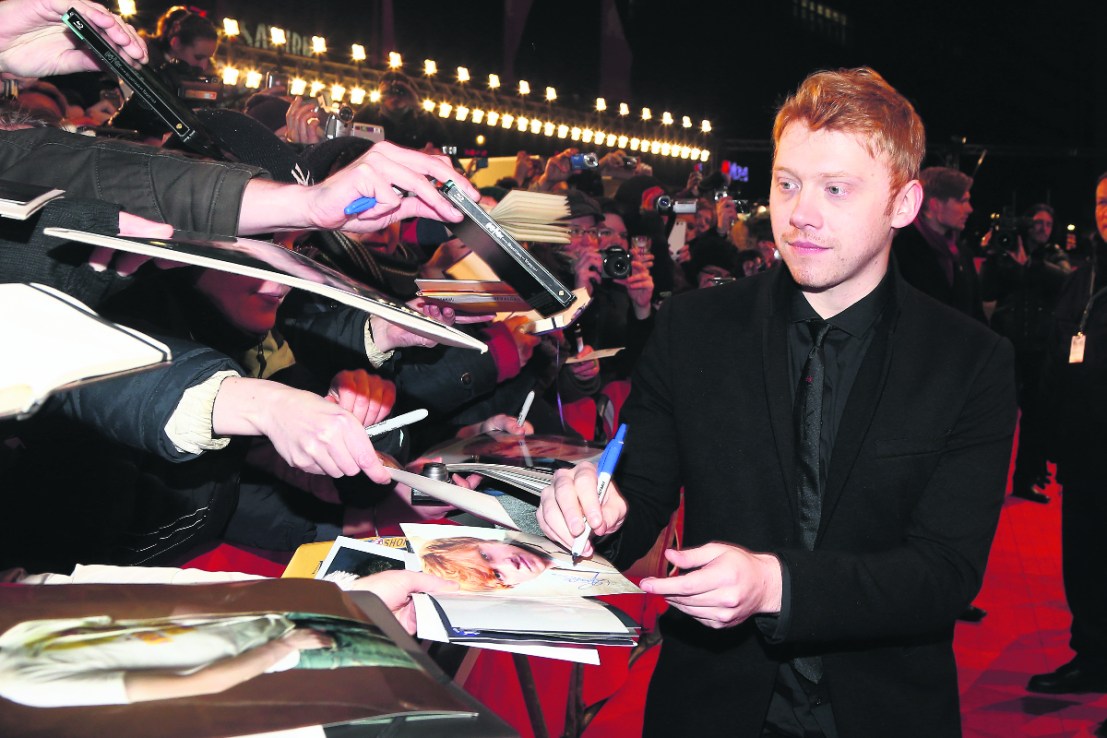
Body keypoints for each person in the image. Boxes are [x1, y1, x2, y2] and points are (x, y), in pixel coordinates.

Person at [538, 67, 1016, 737]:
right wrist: (598, 507)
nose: (801, 215)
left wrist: (774, 586)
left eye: (835, 190)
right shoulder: (694, 328)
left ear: (902, 205)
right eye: (787, 184)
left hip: (883, 709)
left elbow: (943, 573)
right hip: (708, 705)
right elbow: (640, 490)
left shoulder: (968, 361)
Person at [1027, 173, 1107, 696]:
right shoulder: (1086, 273)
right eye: (1102, 199)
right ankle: (1094, 658)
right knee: (1083, 561)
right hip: (1084, 451)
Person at [980, 203, 1073, 503]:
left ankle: (1025, 481)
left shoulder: (1054, 256)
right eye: (1037, 223)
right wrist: (996, 255)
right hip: (1006, 345)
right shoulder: (1005, 252)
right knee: (996, 418)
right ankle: (984, 484)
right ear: (1027, 225)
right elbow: (987, 290)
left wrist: (1028, 265)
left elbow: (1064, 280)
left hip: (1039, 349)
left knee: (1034, 420)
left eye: (1048, 224)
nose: (1043, 229)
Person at [892, 166, 986, 322]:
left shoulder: (962, 253)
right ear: (935, 204)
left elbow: (975, 314)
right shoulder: (897, 251)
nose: (970, 209)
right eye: (962, 201)